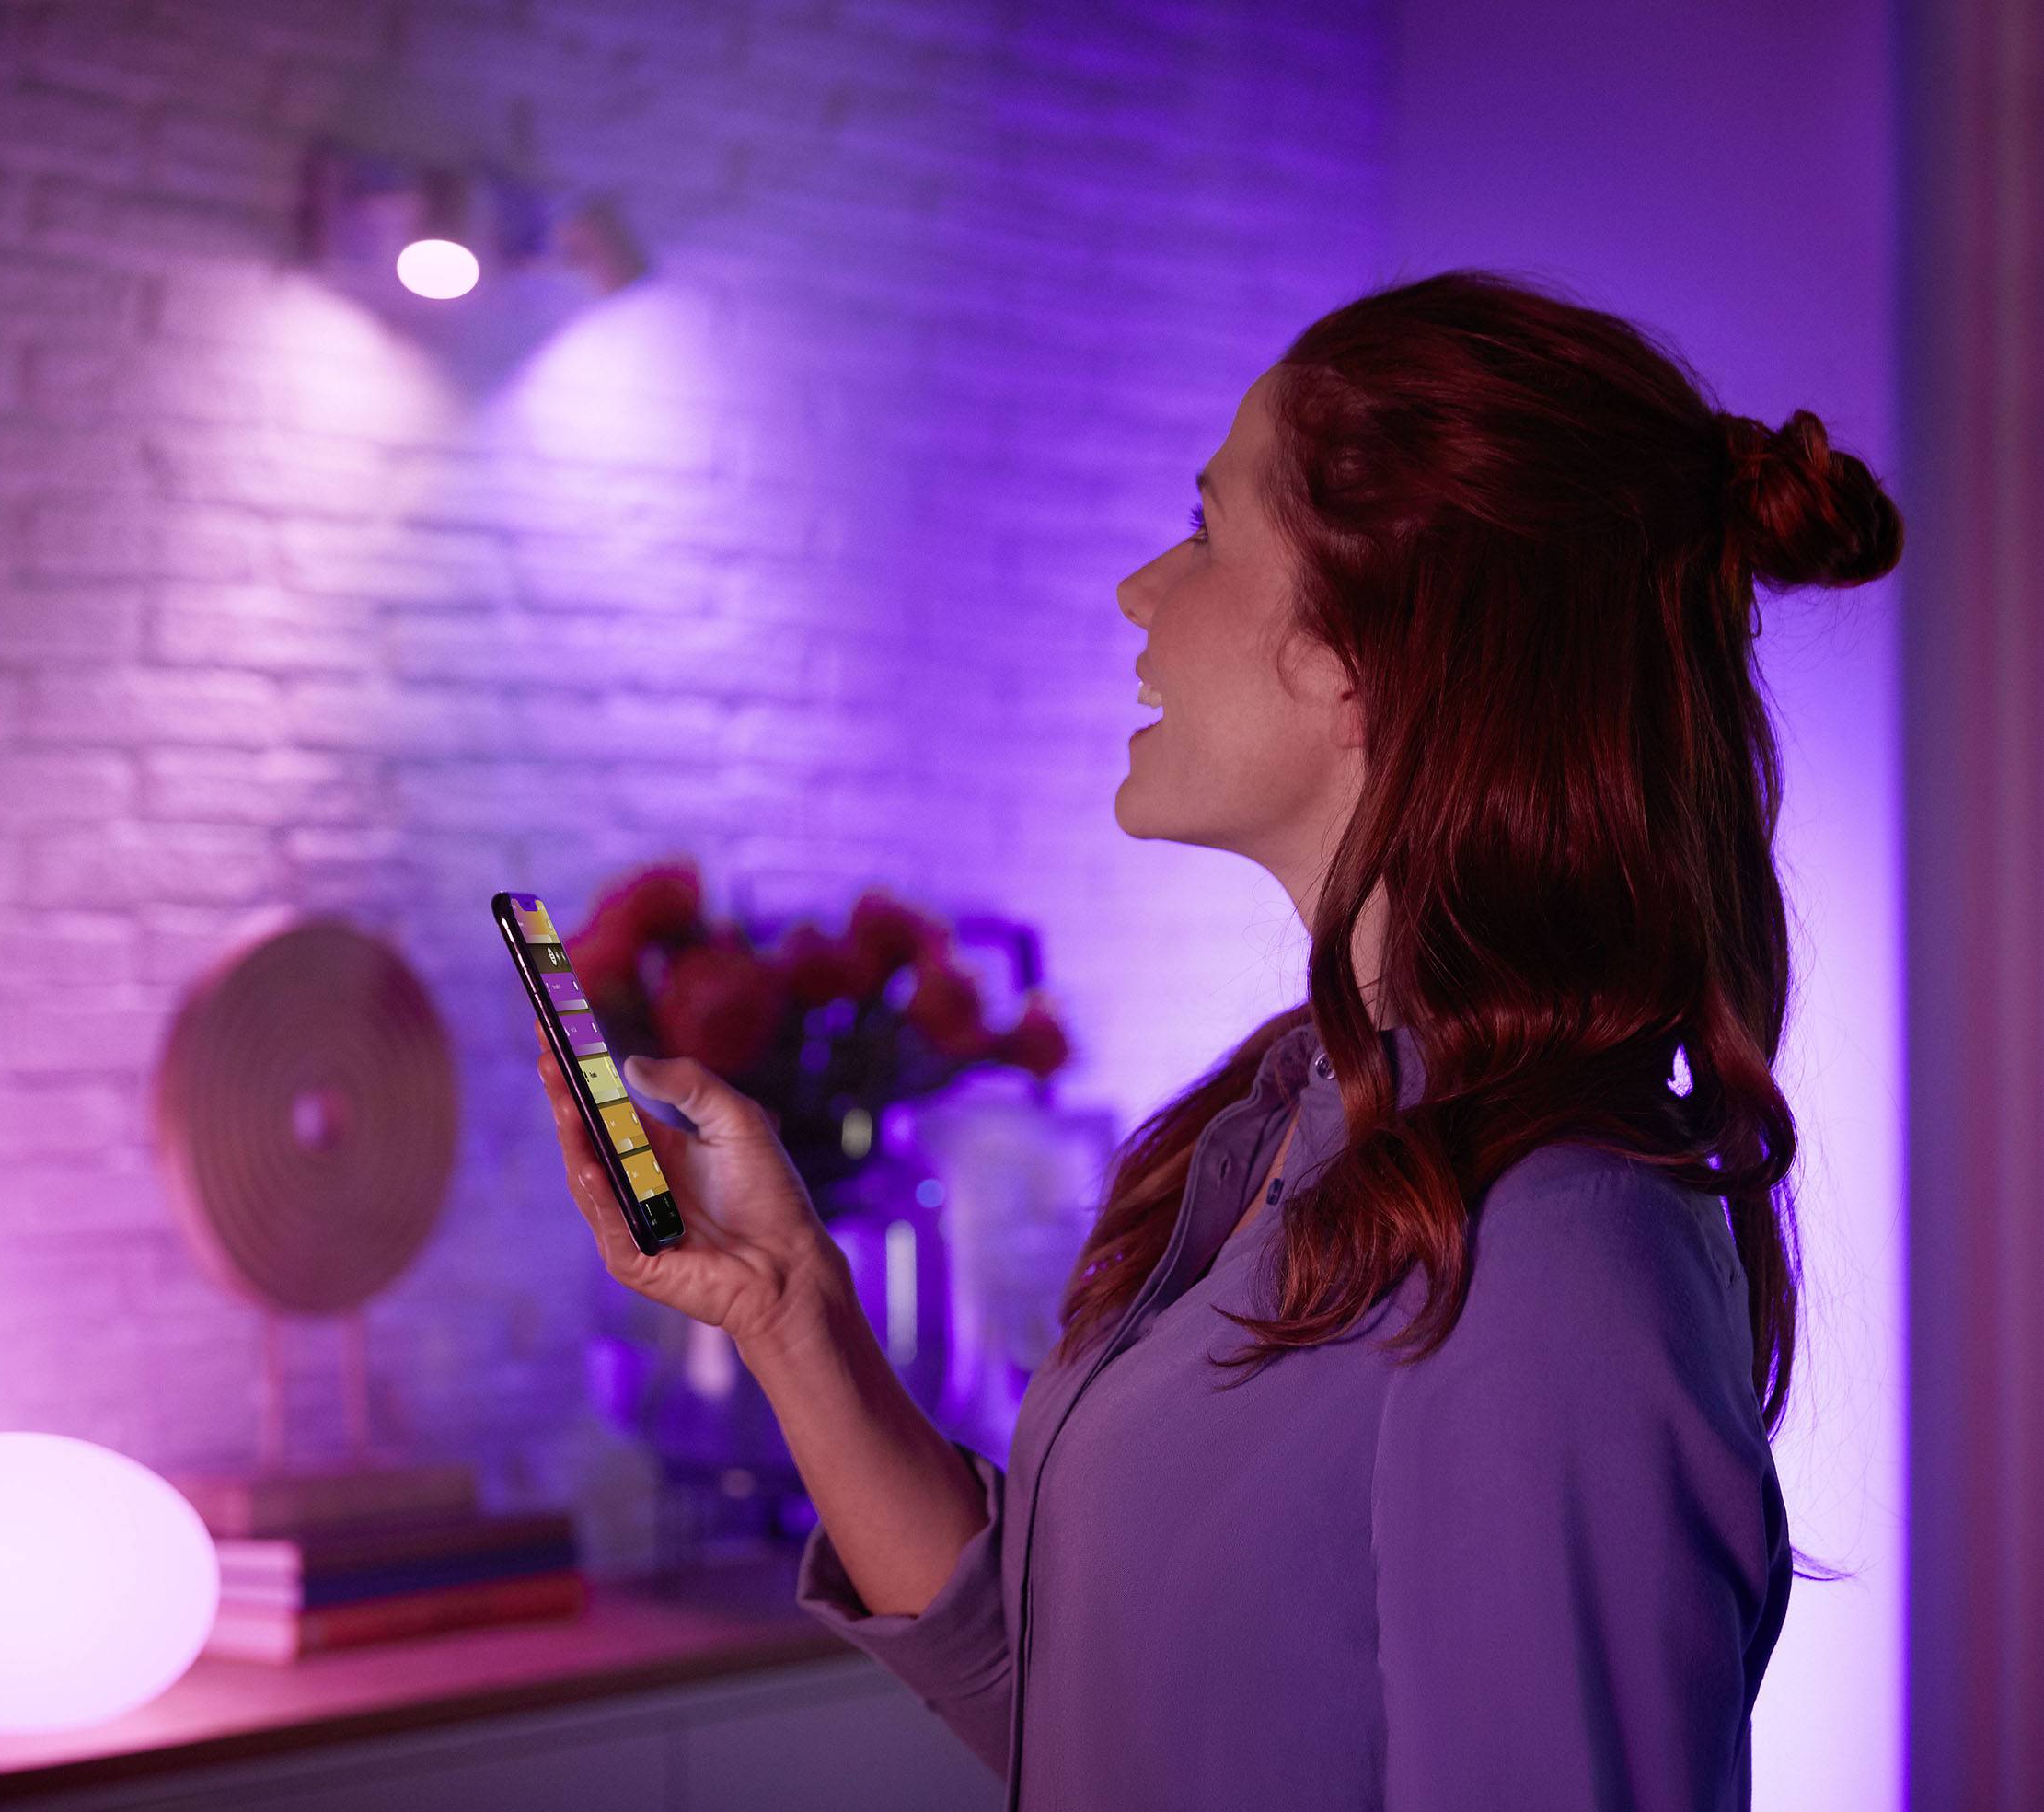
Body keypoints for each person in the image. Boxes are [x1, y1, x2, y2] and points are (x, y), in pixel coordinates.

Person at [532, 267, 1903, 1810]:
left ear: (1359, 651)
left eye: (1201, 529)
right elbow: (1095, 1712)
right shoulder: (1284, 1122)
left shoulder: (1551, 1243)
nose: (1140, 590)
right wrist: (786, 1306)